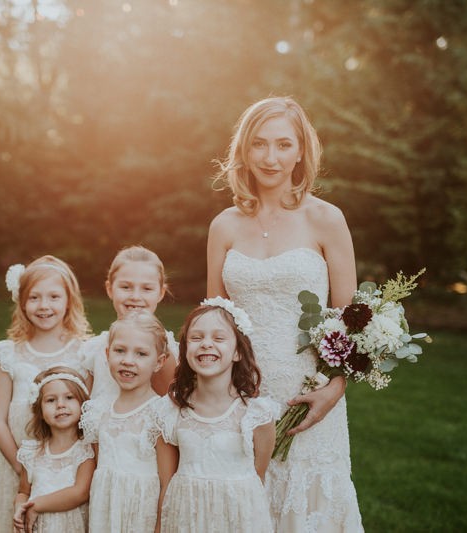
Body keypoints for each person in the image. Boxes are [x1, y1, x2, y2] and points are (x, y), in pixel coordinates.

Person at [206, 96, 364, 531]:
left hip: (307, 402)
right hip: (239, 398)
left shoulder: (327, 220)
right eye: (259, 144)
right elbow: (214, 323)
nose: (270, 157)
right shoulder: (223, 226)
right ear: (244, 151)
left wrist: (334, 389)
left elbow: (350, 322)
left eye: (282, 144)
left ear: (301, 151)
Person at [155, 298, 279, 533]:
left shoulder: (256, 414)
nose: (206, 344)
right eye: (196, 337)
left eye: (219, 338)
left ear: (237, 353)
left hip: (238, 520)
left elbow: (257, 478)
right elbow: (166, 484)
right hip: (187, 520)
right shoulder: (171, 412)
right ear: (185, 350)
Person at [0, 256, 91, 533]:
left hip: (68, 470)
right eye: (34, 297)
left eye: (54, 297)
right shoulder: (10, 354)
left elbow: (91, 413)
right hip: (19, 466)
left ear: (69, 300)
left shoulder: (84, 352)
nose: (44, 306)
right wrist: (23, 468)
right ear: (21, 302)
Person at [79, 311, 177, 532]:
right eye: (120, 350)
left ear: (159, 362)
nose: (128, 361)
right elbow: (96, 470)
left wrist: (160, 527)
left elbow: (167, 482)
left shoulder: (159, 414)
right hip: (104, 514)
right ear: (107, 354)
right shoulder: (97, 411)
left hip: (142, 517)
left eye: (141, 353)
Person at [79, 245, 177, 401]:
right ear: (110, 289)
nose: (136, 296)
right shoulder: (93, 351)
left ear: (161, 293)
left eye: (146, 288)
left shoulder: (165, 350)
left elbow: (171, 403)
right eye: (126, 287)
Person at [12, 367, 96, 533]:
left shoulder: (85, 450)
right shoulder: (31, 452)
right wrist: (20, 508)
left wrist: (37, 506)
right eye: (51, 400)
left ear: (82, 404)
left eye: (69, 397)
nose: (60, 405)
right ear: (40, 412)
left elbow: (80, 492)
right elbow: (23, 491)